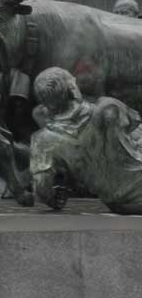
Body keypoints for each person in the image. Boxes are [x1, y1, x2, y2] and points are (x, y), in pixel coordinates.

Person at [30, 67, 142, 214]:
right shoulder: (109, 107)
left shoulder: (42, 141)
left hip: (121, 203)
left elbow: (42, 188)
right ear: (73, 89)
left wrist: (53, 199)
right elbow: (136, 127)